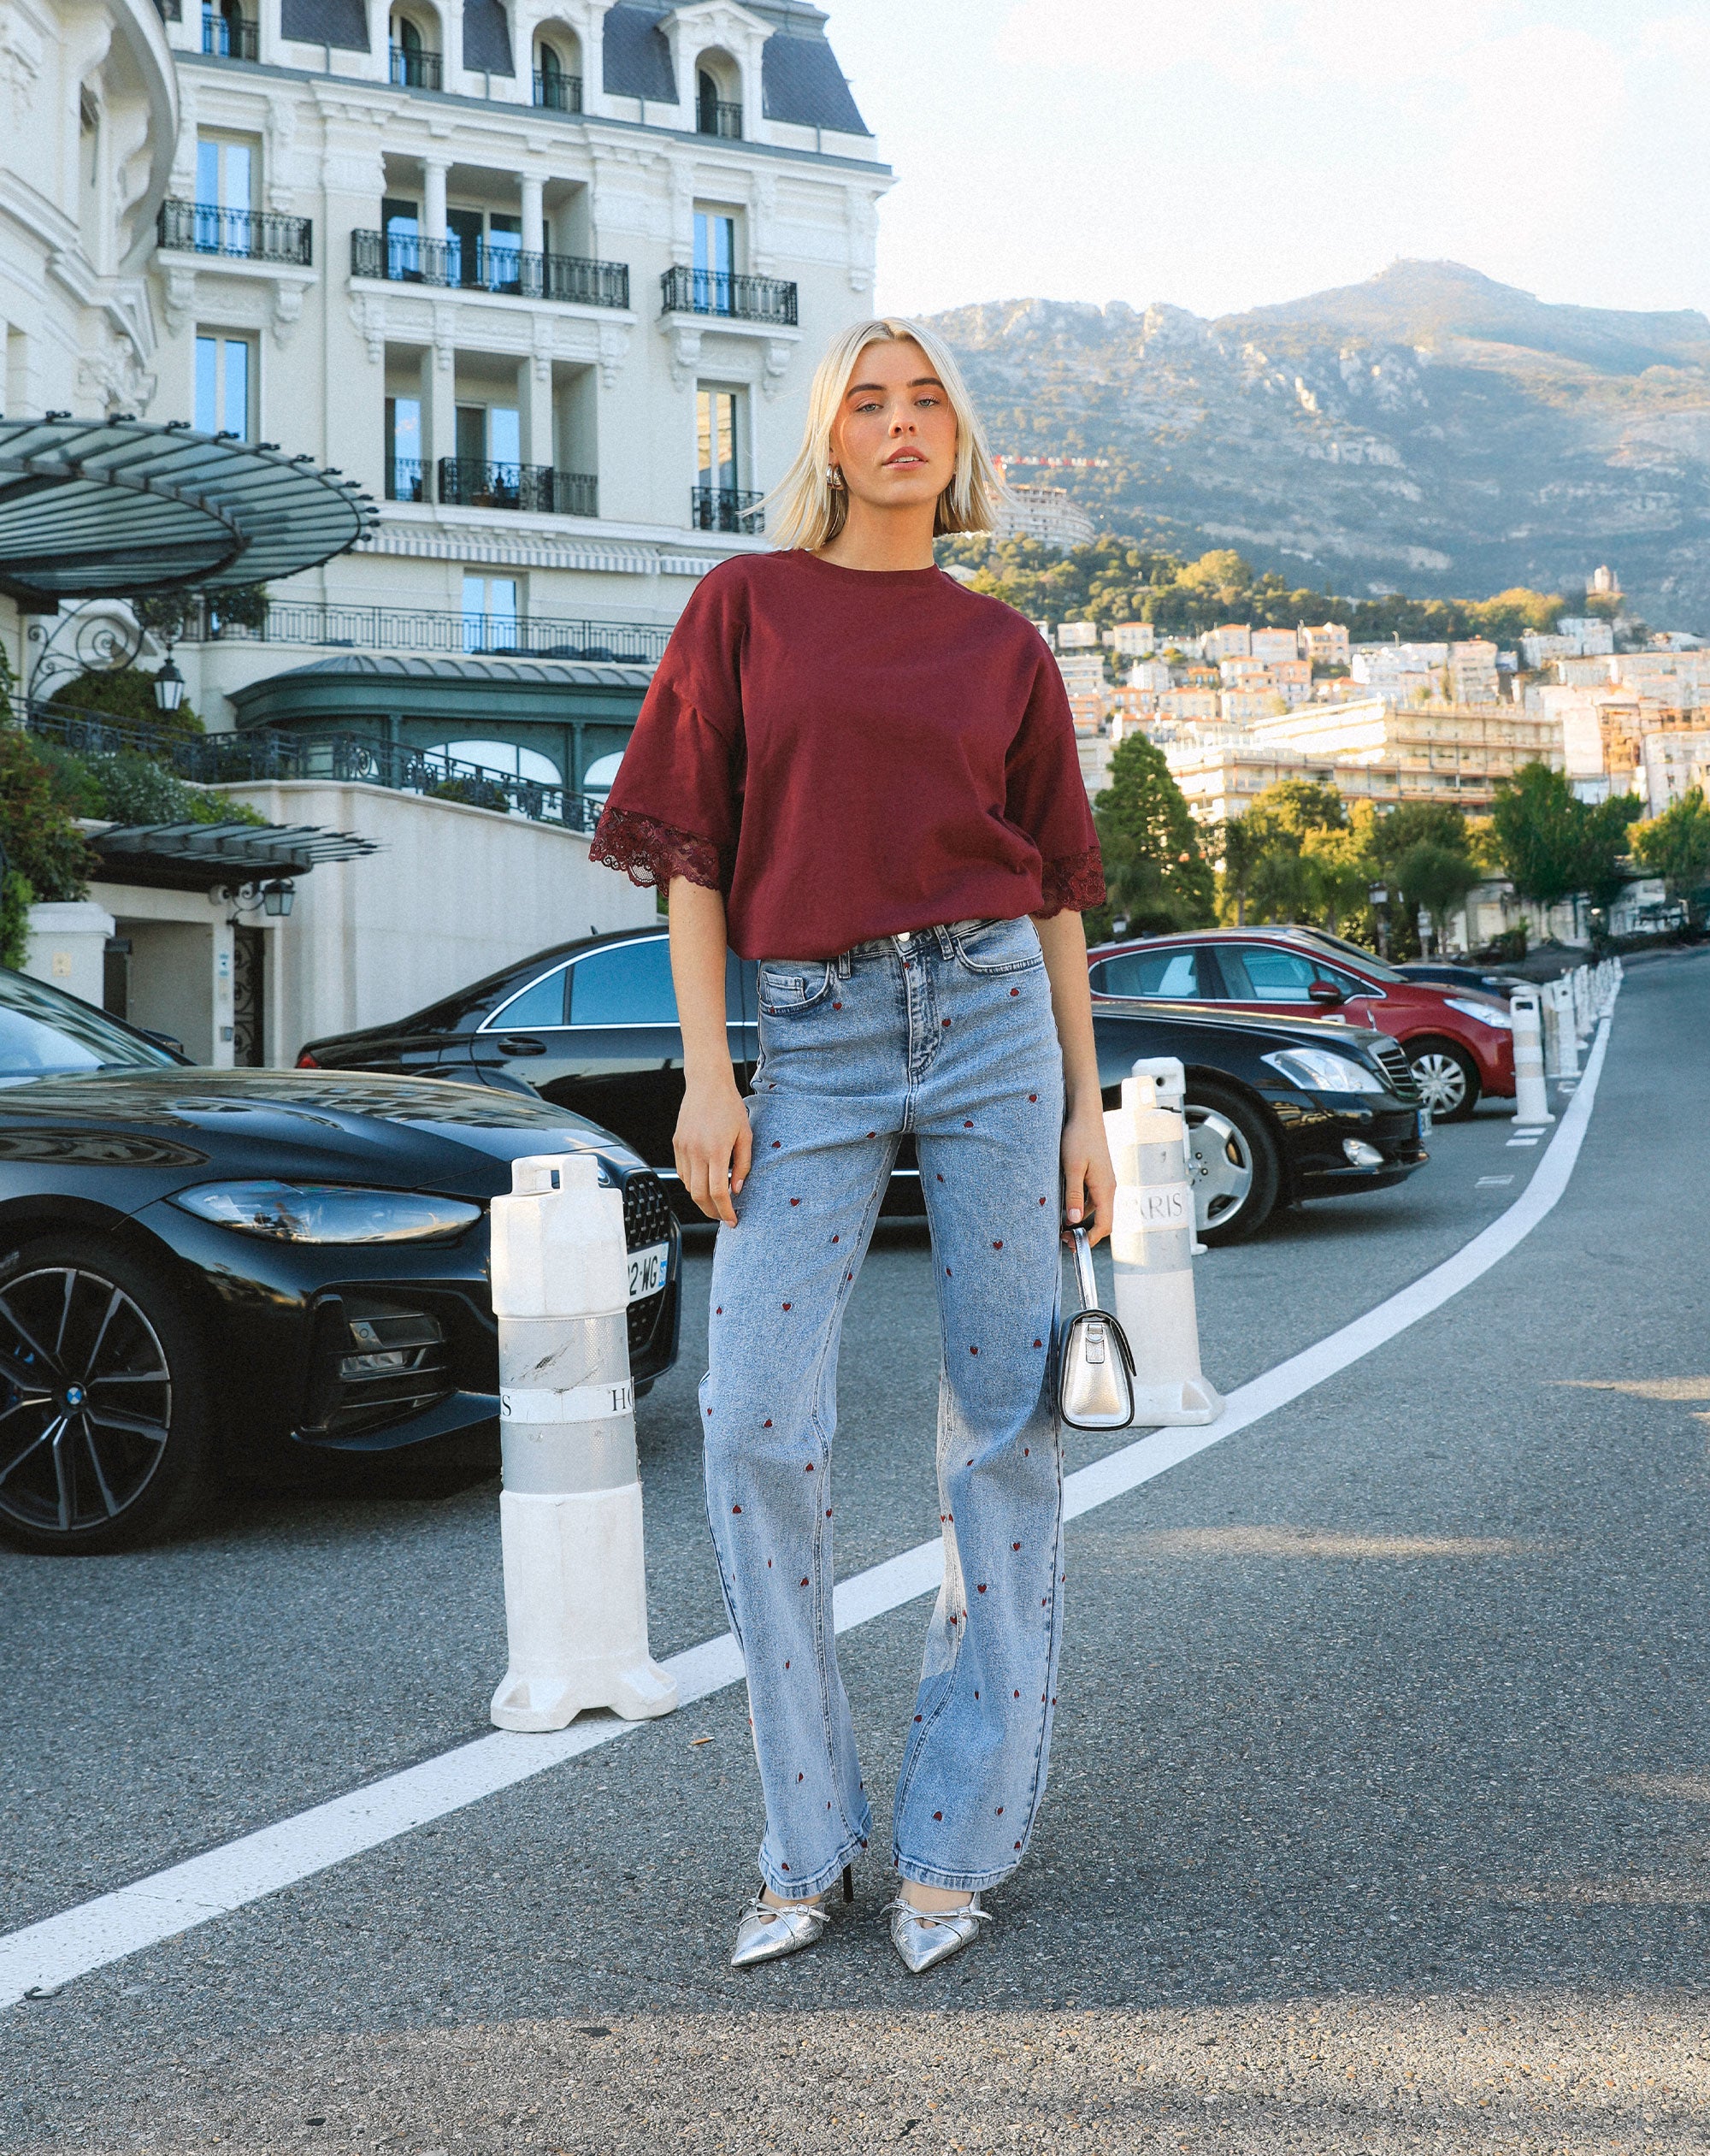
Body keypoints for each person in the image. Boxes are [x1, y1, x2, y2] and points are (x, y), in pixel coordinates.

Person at [591, 316, 1113, 1975]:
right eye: (867, 402)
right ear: (825, 437)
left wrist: (1088, 1105)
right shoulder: (744, 606)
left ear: (961, 441)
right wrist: (705, 1074)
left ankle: (957, 1837)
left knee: (1001, 1431)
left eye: (927, 399)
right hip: (804, 1040)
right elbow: (690, 853)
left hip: (989, 1027)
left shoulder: (1004, 647)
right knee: (750, 1413)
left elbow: (1054, 897)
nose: (900, 424)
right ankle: (805, 1836)